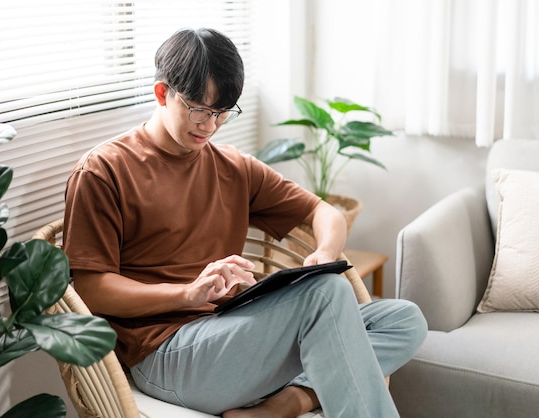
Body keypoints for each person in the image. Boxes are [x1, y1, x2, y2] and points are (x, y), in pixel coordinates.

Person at [63, 27, 427, 418]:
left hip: (231, 331)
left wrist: (323, 253)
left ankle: (286, 403)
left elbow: (326, 214)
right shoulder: (104, 170)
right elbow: (91, 289)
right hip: (165, 353)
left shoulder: (233, 167)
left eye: (221, 113)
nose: (209, 126)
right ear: (162, 93)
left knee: (403, 319)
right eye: (199, 109)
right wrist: (187, 294)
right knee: (326, 295)